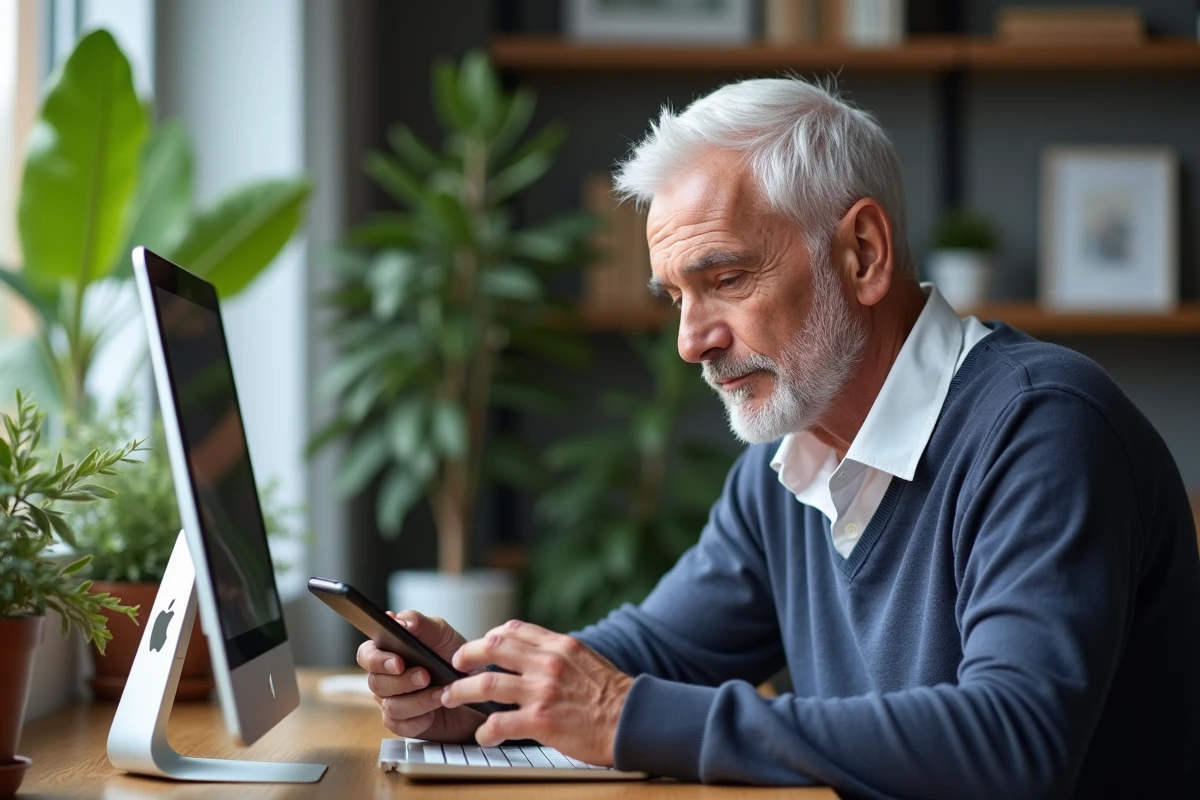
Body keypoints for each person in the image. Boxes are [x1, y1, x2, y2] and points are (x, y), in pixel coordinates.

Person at [357, 77, 1200, 798]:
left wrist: (617, 713)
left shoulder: (1043, 427)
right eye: (675, 298)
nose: (691, 342)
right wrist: (479, 695)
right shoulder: (786, 466)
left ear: (862, 254)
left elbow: (1015, 743)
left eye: (726, 279)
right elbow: (656, 654)